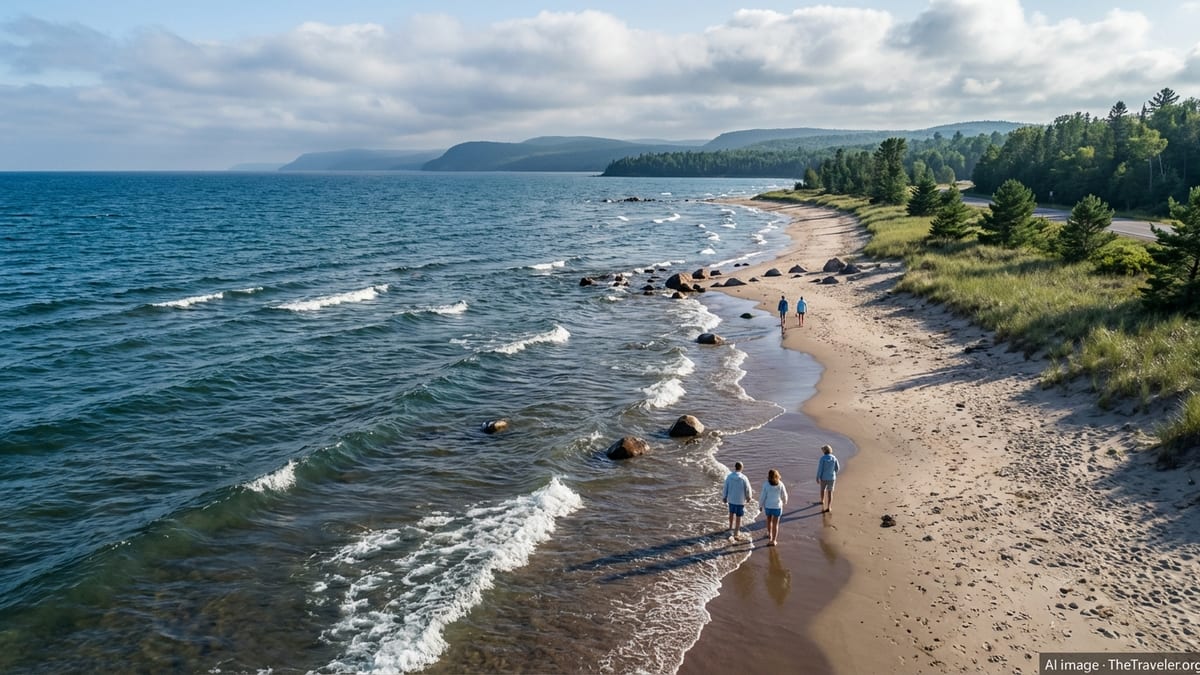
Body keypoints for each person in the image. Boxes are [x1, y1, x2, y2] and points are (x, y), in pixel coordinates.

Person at [722, 461, 753, 540]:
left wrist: (724, 497)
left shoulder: (729, 476)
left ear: (735, 467)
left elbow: (725, 487)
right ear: (741, 468)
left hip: (731, 499)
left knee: (731, 513)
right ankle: (736, 532)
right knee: (739, 516)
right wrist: (749, 497)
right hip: (740, 500)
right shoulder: (744, 478)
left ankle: (730, 527)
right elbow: (748, 488)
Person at [760, 468, 788, 546]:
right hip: (777, 507)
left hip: (768, 506)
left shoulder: (766, 484)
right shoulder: (780, 484)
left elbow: (763, 496)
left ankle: (770, 534)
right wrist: (785, 501)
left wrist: (760, 505)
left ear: (768, 476)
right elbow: (784, 494)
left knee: (769, 521)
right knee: (776, 524)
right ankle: (774, 540)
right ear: (777, 475)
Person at [815, 444, 840, 513]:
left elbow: (820, 469)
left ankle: (822, 500)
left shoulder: (822, 458)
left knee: (822, 489)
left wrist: (817, 477)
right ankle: (829, 507)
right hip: (832, 478)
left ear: (824, 451)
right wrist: (834, 472)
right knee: (830, 492)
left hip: (824, 477)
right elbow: (837, 468)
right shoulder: (834, 458)